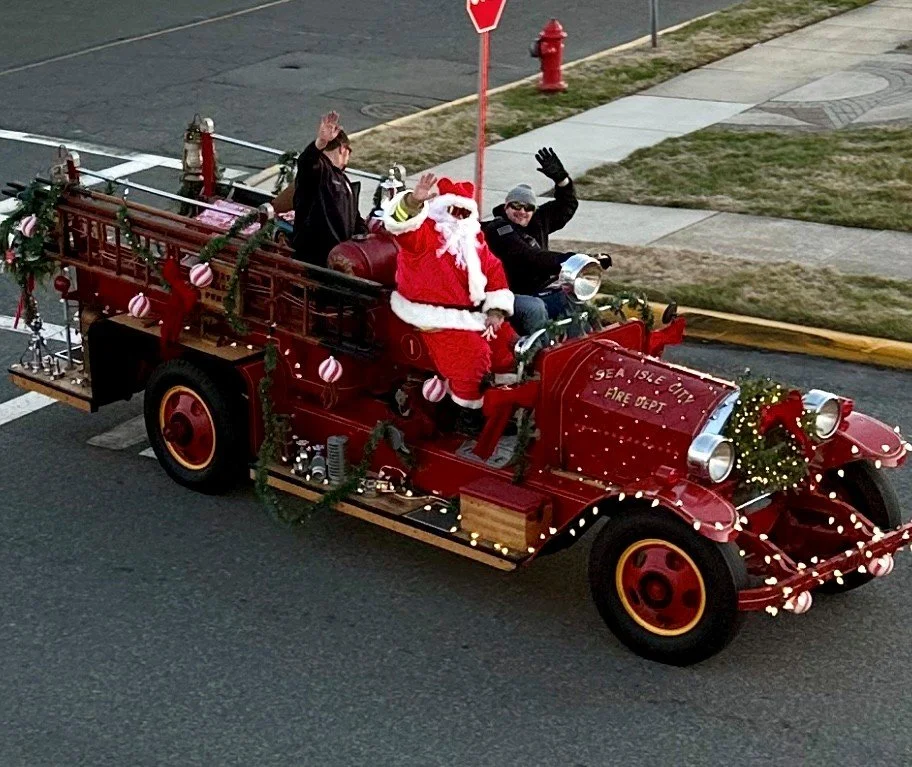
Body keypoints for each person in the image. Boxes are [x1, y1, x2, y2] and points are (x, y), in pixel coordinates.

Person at [381, 172, 518, 433]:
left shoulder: (475, 242)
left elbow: (494, 271)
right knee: (471, 358)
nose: (459, 218)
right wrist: (412, 202)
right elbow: (400, 226)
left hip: (473, 316)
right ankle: (468, 418)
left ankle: (500, 403)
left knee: (507, 346)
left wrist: (497, 310)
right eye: (454, 211)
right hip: (435, 318)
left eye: (465, 213)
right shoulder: (424, 237)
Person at [482, 147, 609, 335]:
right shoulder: (499, 229)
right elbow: (529, 257)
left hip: (542, 289)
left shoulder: (536, 221)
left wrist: (562, 181)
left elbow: (566, 206)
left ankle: (585, 346)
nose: (522, 211)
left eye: (528, 207)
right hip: (511, 294)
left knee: (574, 297)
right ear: (506, 206)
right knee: (536, 308)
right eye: (516, 205)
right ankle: (540, 356)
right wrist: (576, 261)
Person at [289, 111, 367, 266]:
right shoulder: (319, 170)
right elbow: (306, 162)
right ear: (343, 149)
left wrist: (364, 233)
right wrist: (320, 142)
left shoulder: (344, 180)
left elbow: (353, 217)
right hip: (315, 259)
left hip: (339, 259)